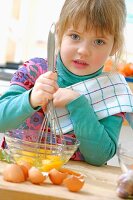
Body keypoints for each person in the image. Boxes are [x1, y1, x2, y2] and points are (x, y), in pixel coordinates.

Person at [0, 0, 131, 166]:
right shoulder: (34, 71)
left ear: (115, 46)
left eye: (99, 41)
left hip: (73, 183)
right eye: (75, 36)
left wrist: (79, 105)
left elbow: (99, 156)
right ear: (60, 34)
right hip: (17, 175)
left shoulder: (112, 92)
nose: (83, 50)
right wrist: (31, 98)